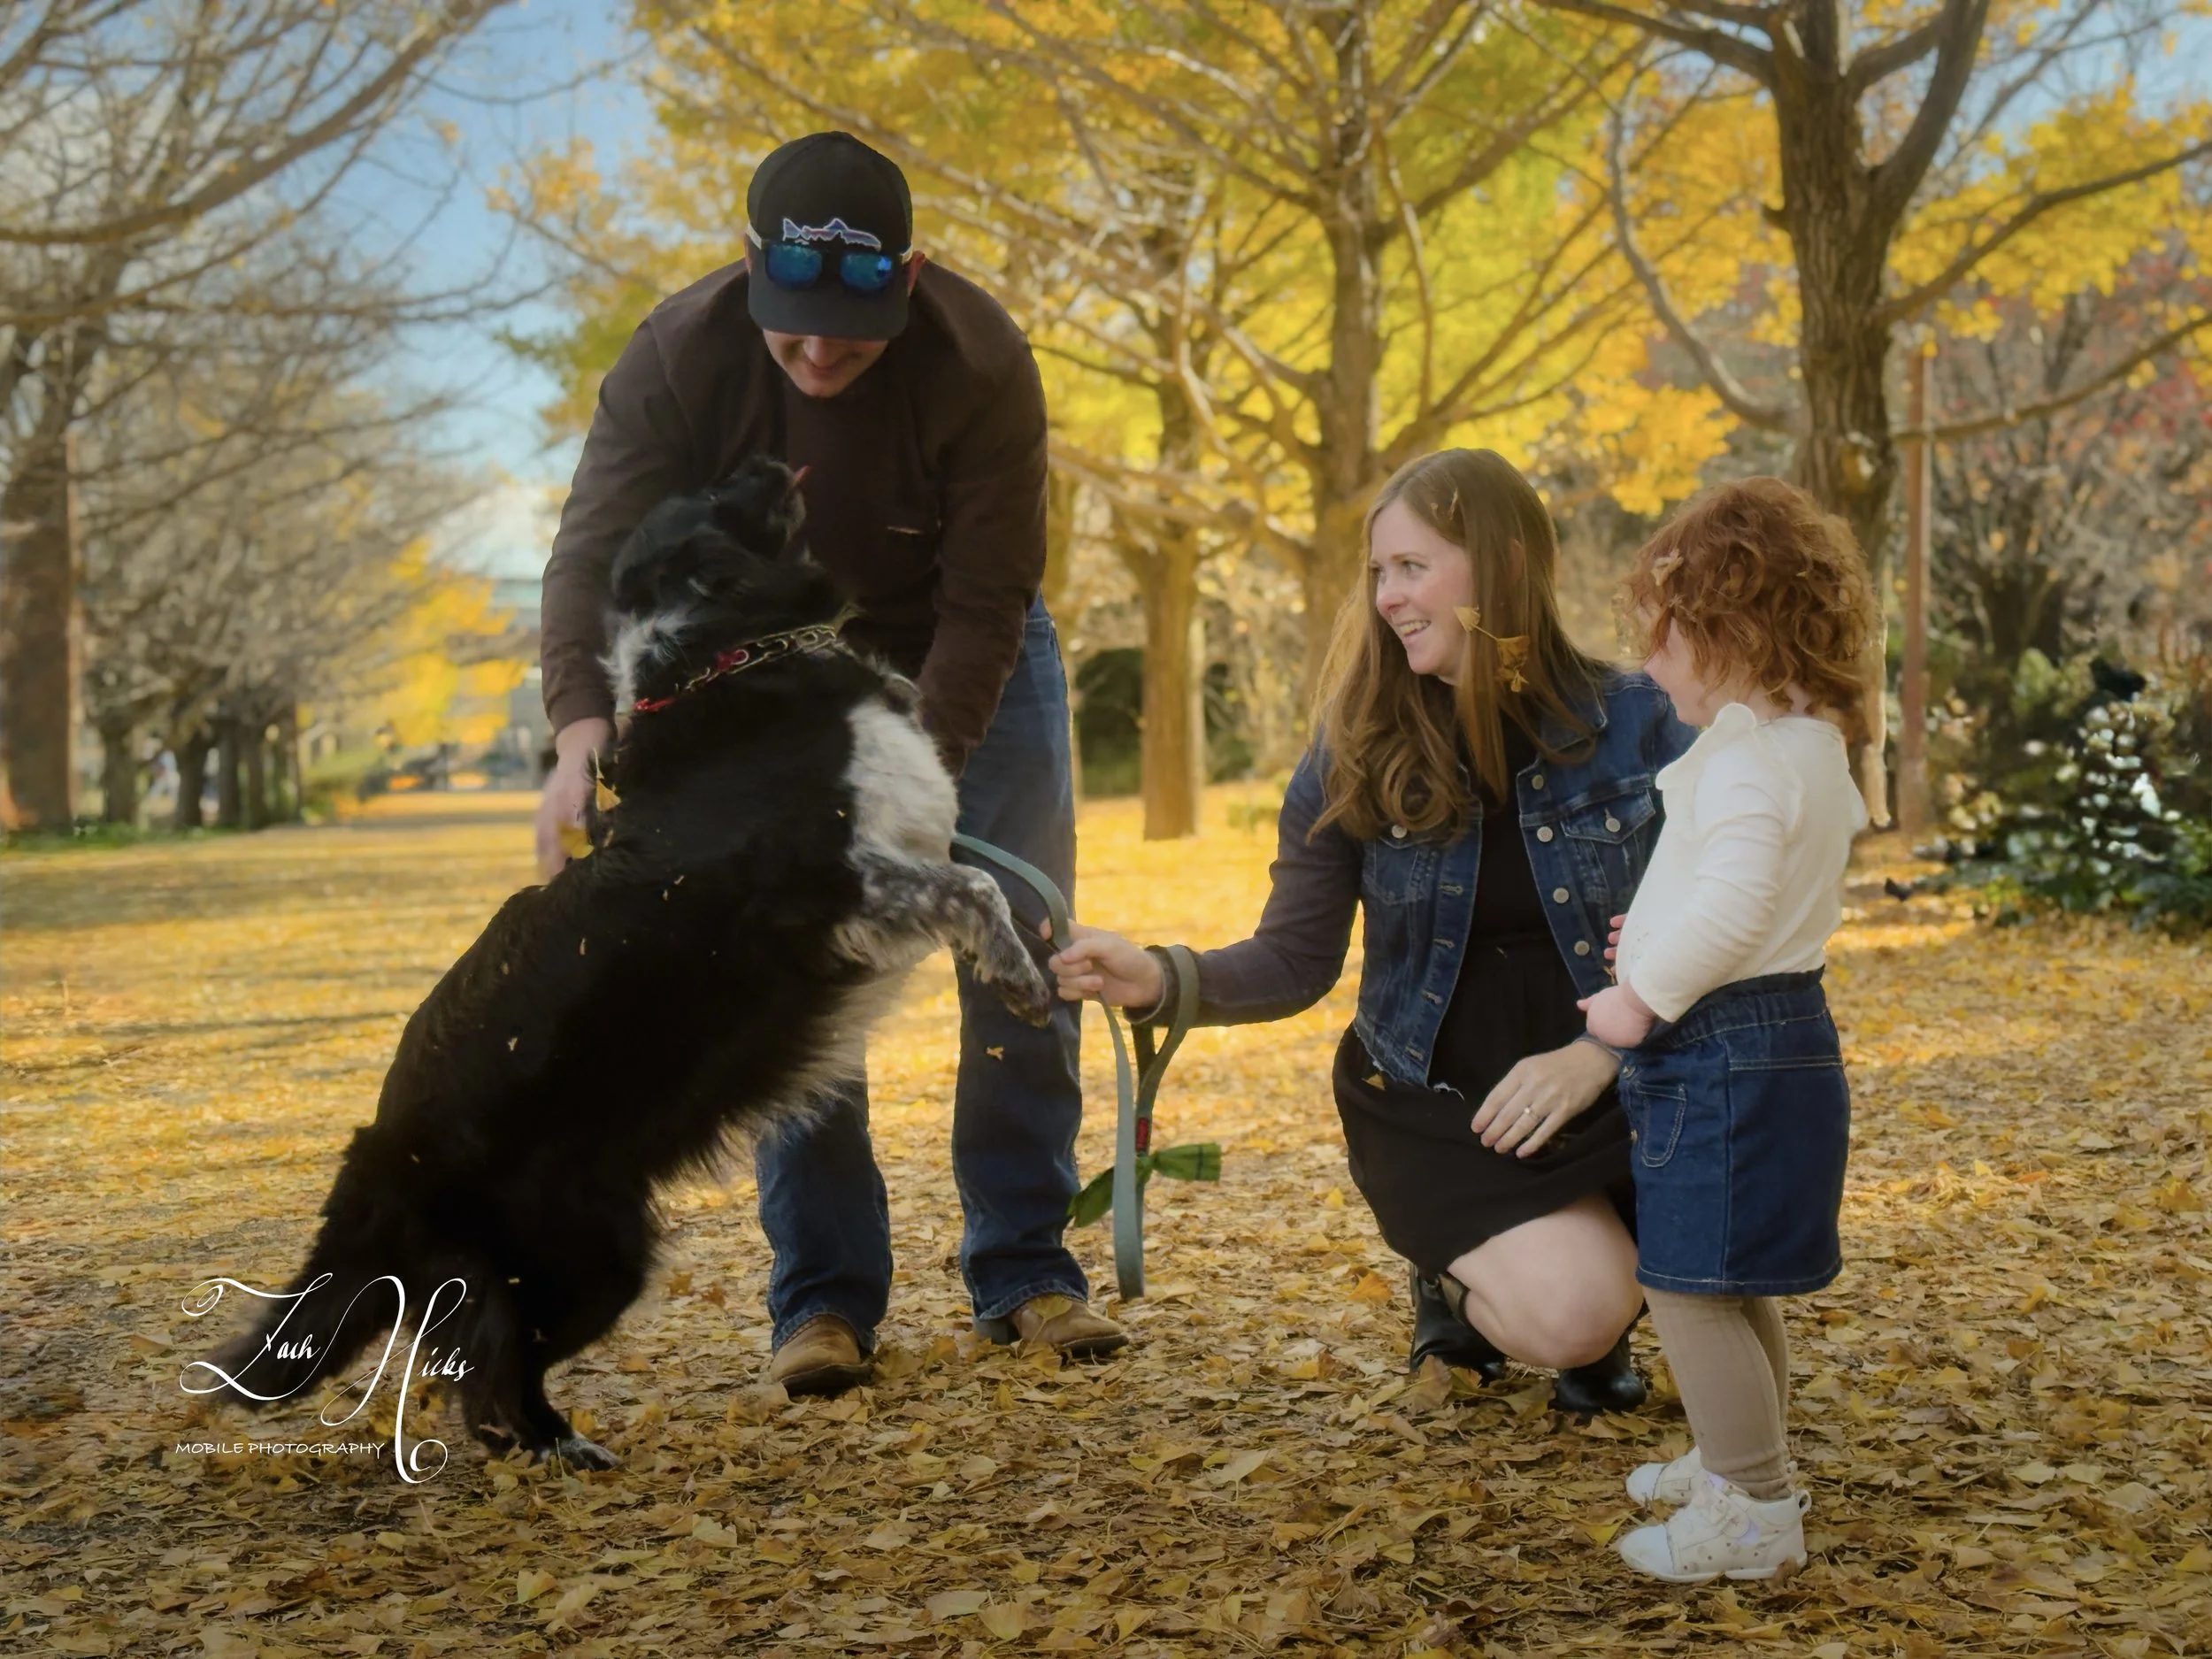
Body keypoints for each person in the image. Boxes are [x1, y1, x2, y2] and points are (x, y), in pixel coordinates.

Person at [534, 131, 1124, 1397]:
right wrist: (582, 723)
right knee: (798, 961)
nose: (814, 356)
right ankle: (824, 1295)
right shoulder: (676, 359)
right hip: (773, 665)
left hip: (971, 654)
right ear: (752, 269)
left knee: (1016, 927)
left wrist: (920, 780)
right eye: (790, 329)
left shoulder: (983, 363)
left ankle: (1027, 1267)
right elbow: (591, 551)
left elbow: (988, 600)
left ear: (908, 280)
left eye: (845, 336)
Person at [1049, 449, 1694, 1409]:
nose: (1387, 598)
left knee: (1754, 1237)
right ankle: (1464, 1281)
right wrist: (1161, 976)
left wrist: (1598, 1053)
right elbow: (1295, 958)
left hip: (1625, 1080)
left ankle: (1585, 1256)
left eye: (1413, 568)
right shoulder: (1354, 748)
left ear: (1506, 564)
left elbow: (1723, 919)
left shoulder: (1643, 719)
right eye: (1378, 572)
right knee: (1573, 1319)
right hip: (1445, 1100)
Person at [1586, 479, 1878, 1582]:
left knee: (1686, 1280)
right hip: (1775, 1030)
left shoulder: (1752, 755)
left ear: (1729, 628)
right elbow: (1740, 887)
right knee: (1731, 1270)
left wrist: (1637, 994)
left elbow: (1739, 905)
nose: (1648, 667)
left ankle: (1751, 1510)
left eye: (1662, 639)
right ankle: (1737, 1457)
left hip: (1718, 1042)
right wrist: (1656, 924)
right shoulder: (1807, 744)